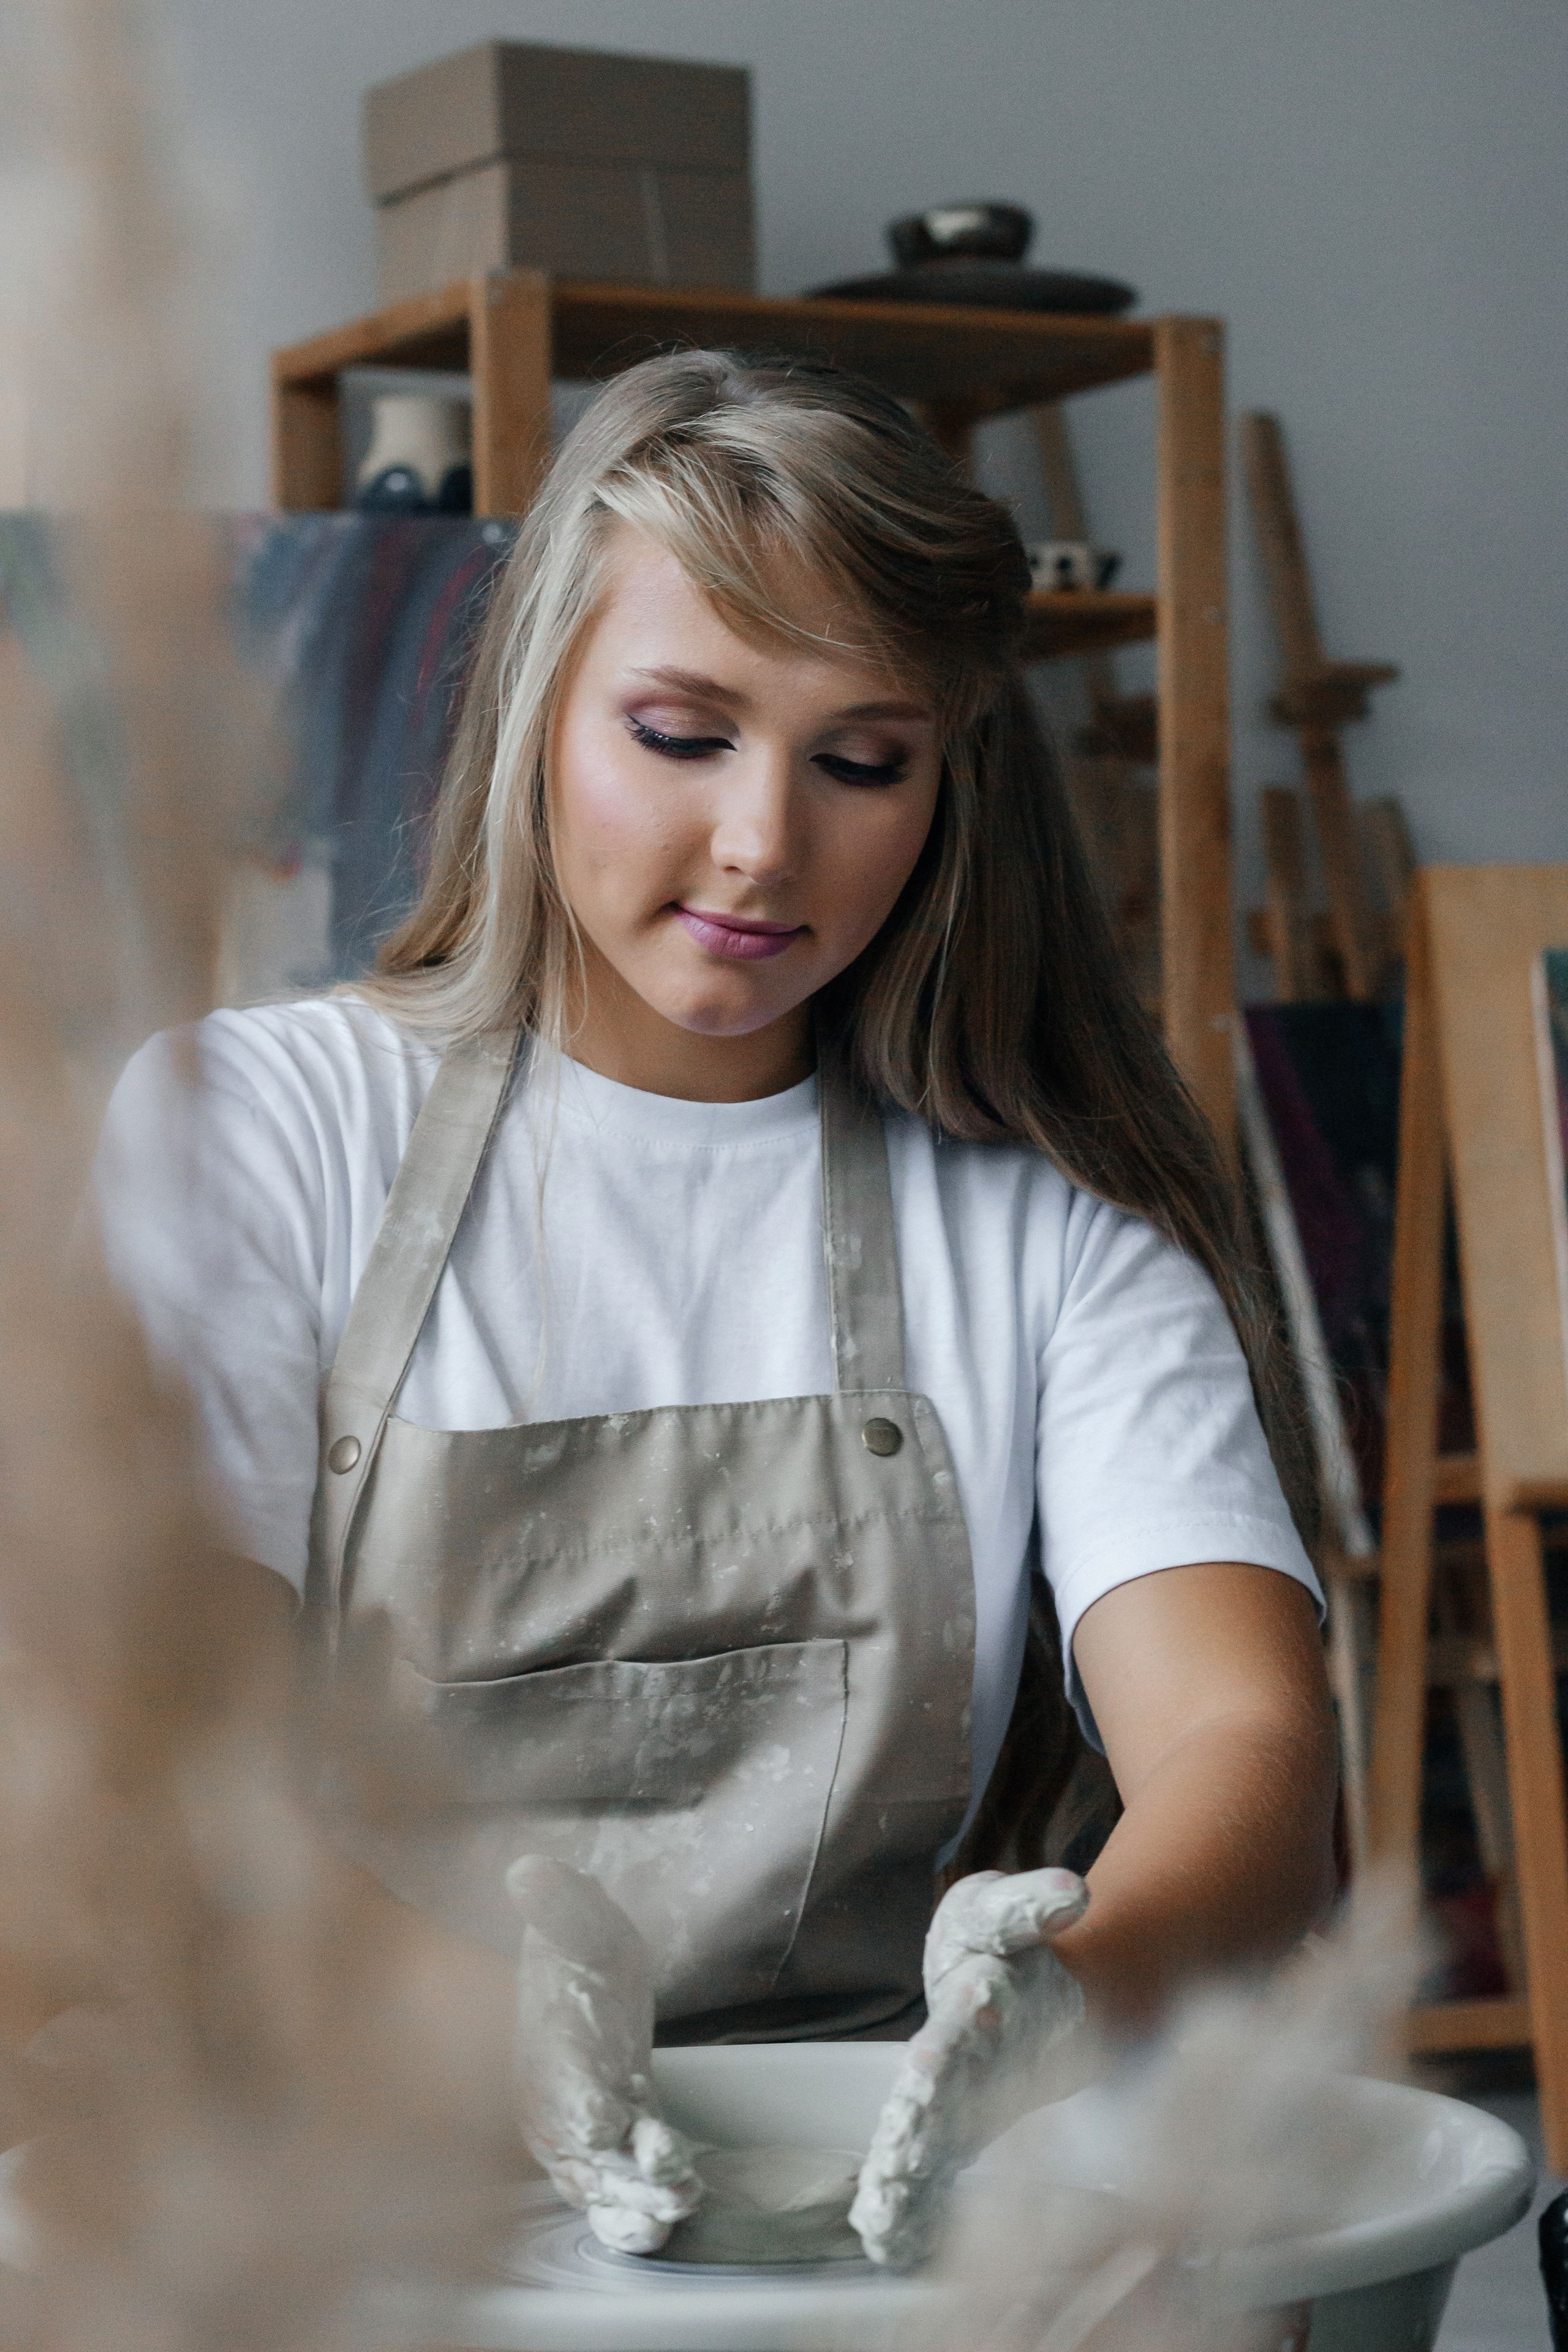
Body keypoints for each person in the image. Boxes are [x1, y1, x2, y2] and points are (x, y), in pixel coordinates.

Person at [97, 349, 1336, 2256]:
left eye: (861, 760)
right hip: (363, 2210)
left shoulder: (1047, 1219)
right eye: (682, 734)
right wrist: (493, 2032)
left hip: (865, 2206)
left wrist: (1066, 2008)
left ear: (945, 781)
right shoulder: (258, 1131)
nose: (767, 842)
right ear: (538, 714)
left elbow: (1246, 1748)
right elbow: (162, 1752)